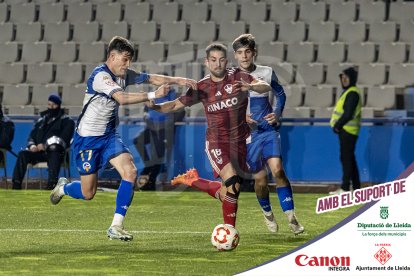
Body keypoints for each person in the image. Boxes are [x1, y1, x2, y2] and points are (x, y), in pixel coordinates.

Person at [49, 36, 196, 241]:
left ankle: (116, 226)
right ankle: (63, 187)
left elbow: (151, 77)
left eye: (130, 60)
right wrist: (153, 95)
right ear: (112, 56)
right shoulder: (100, 76)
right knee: (88, 193)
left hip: (108, 136)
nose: (128, 65)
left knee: (130, 171)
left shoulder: (124, 74)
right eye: (125, 59)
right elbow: (121, 98)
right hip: (88, 140)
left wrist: (179, 80)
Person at [149, 43, 271, 229]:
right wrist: (155, 106)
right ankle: (228, 232)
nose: (218, 64)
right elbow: (174, 105)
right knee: (231, 181)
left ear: (227, 61)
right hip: (217, 142)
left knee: (230, 192)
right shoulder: (202, 87)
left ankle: (193, 180)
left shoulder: (238, 77)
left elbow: (265, 86)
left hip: (239, 141)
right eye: (213, 60)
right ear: (207, 62)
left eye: (221, 59)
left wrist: (250, 86)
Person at [231, 34, 304, 234]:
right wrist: (241, 118)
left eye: (247, 52)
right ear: (235, 56)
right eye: (239, 53)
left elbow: (280, 93)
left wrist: (277, 113)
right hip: (248, 135)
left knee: (278, 170)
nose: (244, 56)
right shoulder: (230, 77)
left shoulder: (266, 72)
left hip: (268, 130)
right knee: (260, 179)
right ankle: (268, 213)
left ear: (254, 53)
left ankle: (291, 217)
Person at [12, 94, 75, 190]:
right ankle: (16, 185)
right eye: (49, 105)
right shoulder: (41, 121)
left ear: (59, 105)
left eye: (53, 105)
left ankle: (52, 184)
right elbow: (31, 137)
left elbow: (64, 140)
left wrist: (46, 145)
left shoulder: (67, 121)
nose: (51, 107)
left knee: (54, 151)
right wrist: (32, 146)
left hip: (57, 154)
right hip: (39, 153)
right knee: (23, 154)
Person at [133, 78, 184, 191]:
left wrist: (169, 125)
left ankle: (151, 182)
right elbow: (146, 110)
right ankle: (148, 165)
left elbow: (180, 111)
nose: (164, 85)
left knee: (158, 156)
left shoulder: (174, 95)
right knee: (137, 140)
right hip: (151, 127)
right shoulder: (154, 94)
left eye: (167, 83)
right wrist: (146, 117)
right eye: (161, 83)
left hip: (164, 130)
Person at [330, 67, 362, 194]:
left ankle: (345, 188)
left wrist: (337, 125)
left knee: (346, 158)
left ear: (352, 79)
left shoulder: (352, 93)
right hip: (348, 130)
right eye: (342, 78)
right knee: (350, 158)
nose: (343, 80)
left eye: (346, 78)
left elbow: (348, 113)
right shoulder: (350, 91)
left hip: (348, 130)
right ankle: (356, 187)